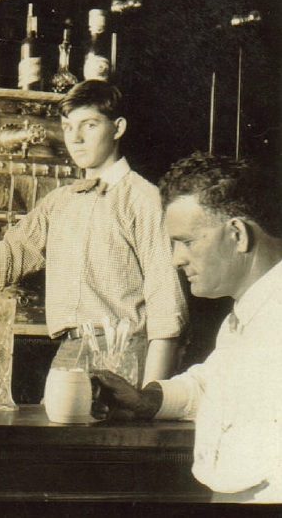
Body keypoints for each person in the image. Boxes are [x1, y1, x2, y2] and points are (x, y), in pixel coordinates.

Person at [0, 80, 187, 385]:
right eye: (68, 127)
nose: (76, 139)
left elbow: (166, 311)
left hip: (125, 353)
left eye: (89, 125)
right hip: (69, 351)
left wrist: (149, 400)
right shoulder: (58, 204)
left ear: (117, 128)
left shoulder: (144, 200)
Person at [93, 152, 282, 503]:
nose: (176, 258)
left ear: (237, 234)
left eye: (187, 241)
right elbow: (214, 385)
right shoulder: (248, 314)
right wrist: (148, 400)